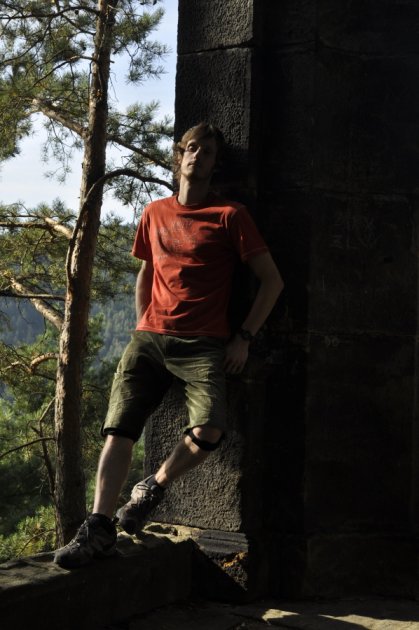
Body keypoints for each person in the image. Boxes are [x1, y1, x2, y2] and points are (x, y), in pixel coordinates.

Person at [54, 122, 284, 569]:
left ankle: (153, 487)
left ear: (215, 164)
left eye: (207, 151)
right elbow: (146, 271)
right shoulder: (154, 212)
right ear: (180, 156)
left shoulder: (230, 215)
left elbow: (272, 282)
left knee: (209, 429)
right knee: (119, 429)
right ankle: (98, 527)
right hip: (150, 339)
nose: (198, 155)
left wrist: (244, 338)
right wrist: (143, 323)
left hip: (203, 343)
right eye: (192, 148)